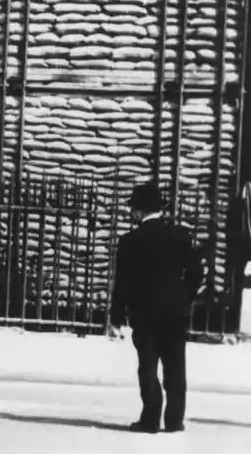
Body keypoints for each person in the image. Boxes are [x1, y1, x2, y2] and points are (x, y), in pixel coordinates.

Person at [108, 181, 204, 434]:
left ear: (139, 211)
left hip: (144, 313)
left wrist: (116, 316)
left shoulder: (129, 240)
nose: (131, 214)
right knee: (175, 366)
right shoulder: (181, 235)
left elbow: (122, 282)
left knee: (148, 366)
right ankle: (174, 420)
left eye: (132, 209)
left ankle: (150, 418)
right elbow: (197, 272)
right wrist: (185, 298)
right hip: (175, 312)